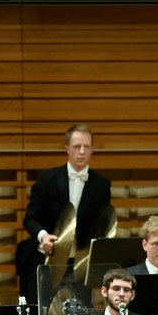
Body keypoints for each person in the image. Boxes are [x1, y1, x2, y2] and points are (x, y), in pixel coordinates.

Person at [18, 124, 113, 305]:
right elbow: (30, 218)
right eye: (77, 146)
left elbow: (101, 225)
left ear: (92, 150)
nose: (82, 152)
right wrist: (43, 236)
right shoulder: (47, 178)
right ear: (67, 149)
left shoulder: (102, 185)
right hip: (46, 260)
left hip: (79, 264)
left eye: (86, 147)